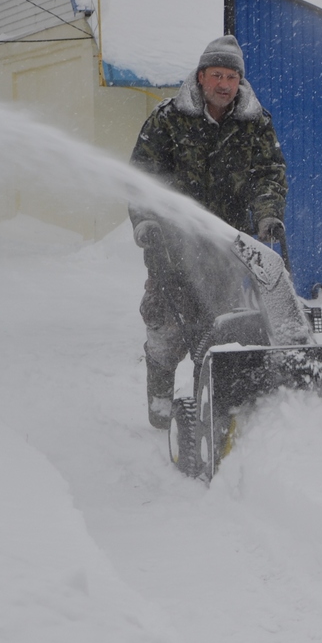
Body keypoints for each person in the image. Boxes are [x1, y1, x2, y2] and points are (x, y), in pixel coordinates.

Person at [129, 35, 287, 429]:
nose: (224, 84)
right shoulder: (168, 119)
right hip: (171, 246)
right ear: (200, 77)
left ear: (240, 82)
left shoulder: (255, 123)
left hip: (227, 250)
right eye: (216, 74)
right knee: (166, 330)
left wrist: (267, 215)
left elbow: (268, 175)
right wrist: (146, 221)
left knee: (222, 328)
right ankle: (162, 397)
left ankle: (212, 404)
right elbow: (141, 177)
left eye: (231, 77)